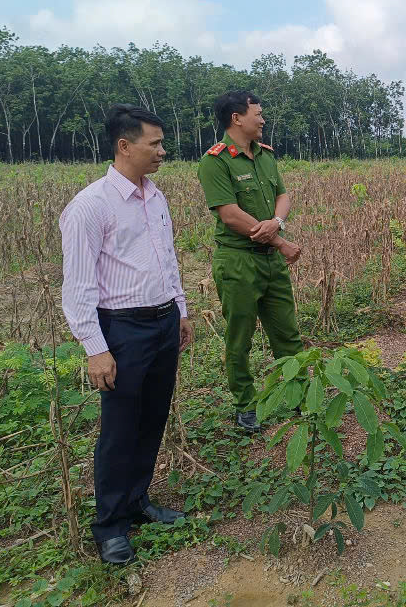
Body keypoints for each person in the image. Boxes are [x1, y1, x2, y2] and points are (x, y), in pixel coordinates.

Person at [60, 104, 194, 565]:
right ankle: (110, 525)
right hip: (123, 328)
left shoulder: (155, 197)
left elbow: (167, 258)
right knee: (119, 430)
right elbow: (78, 287)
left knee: (152, 417)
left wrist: (180, 310)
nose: (162, 151)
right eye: (154, 143)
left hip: (161, 323)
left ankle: (138, 502)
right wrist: (96, 348)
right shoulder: (90, 206)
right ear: (124, 145)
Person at [197, 90, 303, 434]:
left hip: (270, 261)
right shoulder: (215, 161)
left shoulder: (266, 156)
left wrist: (277, 224)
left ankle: (300, 395)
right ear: (236, 118)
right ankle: (246, 405)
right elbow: (230, 215)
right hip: (238, 262)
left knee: (287, 334)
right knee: (239, 339)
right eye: (257, 113)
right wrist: (282, 241)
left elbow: (283, 195)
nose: (262, 119)